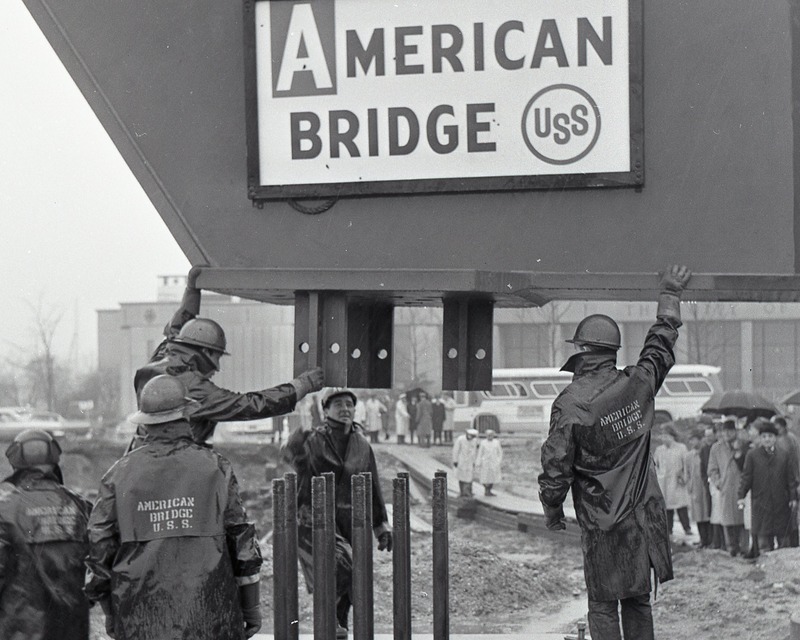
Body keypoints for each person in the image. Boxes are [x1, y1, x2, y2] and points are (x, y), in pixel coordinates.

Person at [538, 264, 692, 640]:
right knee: (638, 601)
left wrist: (553, 510)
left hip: (601, 525)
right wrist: (670, 292)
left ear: (582, 350)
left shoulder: (571, 404)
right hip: (642, 520)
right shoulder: (637, 385)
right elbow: (660, 345)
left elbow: (555, 468)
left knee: (603, 604)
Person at [85, 375, 263, 640]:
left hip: (140, 618)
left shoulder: (118, 475)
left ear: (145, 423)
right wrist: (251, 608)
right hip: (210, 616)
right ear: (186, 417)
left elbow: (100, 549)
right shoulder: (215, 468)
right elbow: (242, 545)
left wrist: (111, 612)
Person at [133, 266, 324, 445]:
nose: (217, 367)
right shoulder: (194, 390)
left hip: (140, 453)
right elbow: (248, 405)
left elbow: (176, 330)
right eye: (217, 357)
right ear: (205, 352)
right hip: (176, 465)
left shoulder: (162, 360)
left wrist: (192, 290)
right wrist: (300, 386)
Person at [283, 388, 392, 638]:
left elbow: (372, 484)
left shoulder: (362, 444)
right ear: (326, 410)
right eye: (338, 404)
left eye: (349, 404)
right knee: (342, 564)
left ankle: (337, 626)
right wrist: (295, 441)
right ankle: (331, 622)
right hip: (314, 518)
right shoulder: (313, 439)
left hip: (351, 519)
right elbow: (292, 458)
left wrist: (381, 525)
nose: (345, 409)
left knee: (351, 581)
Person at [0, 430, 92, 640]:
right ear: (53, 462)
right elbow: (100, 565)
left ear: (16, 464)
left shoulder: (5, 508)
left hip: (20, 630)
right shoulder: (80, 506)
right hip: (73, 629)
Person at [737, 420, 799, 555]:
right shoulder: (752, 455)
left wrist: (793, 497)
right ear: (760, 438)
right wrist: (741, 495)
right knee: (764, 542)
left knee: (783, 541)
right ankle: (765, 568)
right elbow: (746, 477)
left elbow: (791, 479)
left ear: (775, 438)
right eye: (764, 436)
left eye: (770, 436)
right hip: (761, 503)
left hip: (780, 504)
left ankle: (782, 571)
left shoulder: (783, 455)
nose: (767, 439)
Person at [707, 420, 746, 556]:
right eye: (724, 431)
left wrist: (739, 450)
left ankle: (743, 549)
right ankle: (731, 549)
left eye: (730, 430)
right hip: (726, 488)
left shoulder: (742, 445)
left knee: (742, 521)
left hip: (742, 489)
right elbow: (712, 469)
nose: (727, 433)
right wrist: (718, 483)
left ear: (735, 431)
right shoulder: (716, 448)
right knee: (728, 520)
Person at [653, 424, 692, 540]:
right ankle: (669, 529)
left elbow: (686, 464)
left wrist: (684, 477)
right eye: (662, 436)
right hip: (664, 482)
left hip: (677, 480)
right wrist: (658, 476)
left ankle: (687, 528)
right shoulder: (659, 450)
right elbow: (655, 465)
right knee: (667, 507)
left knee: (681, 505)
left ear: (672, 436)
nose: (663, 438)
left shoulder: (681, 448)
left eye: (666, 436)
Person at [773, 415, 800, 547]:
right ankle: (792, 543)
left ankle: (789, 544)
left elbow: (791, 462)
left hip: (788, 480)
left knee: (789, 514)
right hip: (792, 479)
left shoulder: (785, 440)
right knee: (792, 515)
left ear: (782, 427)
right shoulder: (791, 438)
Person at [686, 428, 713, 548]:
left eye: (694, 439)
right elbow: (687, 472)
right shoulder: (689, 455)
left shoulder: (705, 452)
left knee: (707, 512)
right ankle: (702, 539)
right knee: (698, 513)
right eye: (690, 440)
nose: (692, 442)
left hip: (705, 486)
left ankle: (709, 539)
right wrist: (689, 486)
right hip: (695, 488)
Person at [475, 429, 503, 496]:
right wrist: (478, 462)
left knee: (493, 477)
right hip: (485, 462)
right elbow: (480, 453)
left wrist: (498, 461)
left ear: (493, 435)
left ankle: (489, 490)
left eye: (491, 435)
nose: (490, 436)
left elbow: (500, 452)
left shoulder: (496, 442)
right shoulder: (483, 442)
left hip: (494, 462)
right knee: (485, 477)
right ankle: (486, 490)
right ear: (486, 435)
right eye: (488, 435)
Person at [452, 428, 480, 497]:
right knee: (461, 476)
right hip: (461, 460)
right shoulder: (460, 439)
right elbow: (456, 450)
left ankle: (468, 491)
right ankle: (462, 491)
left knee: (469, 476)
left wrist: (474, 461)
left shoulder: (474, 441)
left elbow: (474, 452)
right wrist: (455, 460)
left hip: (470, 461)